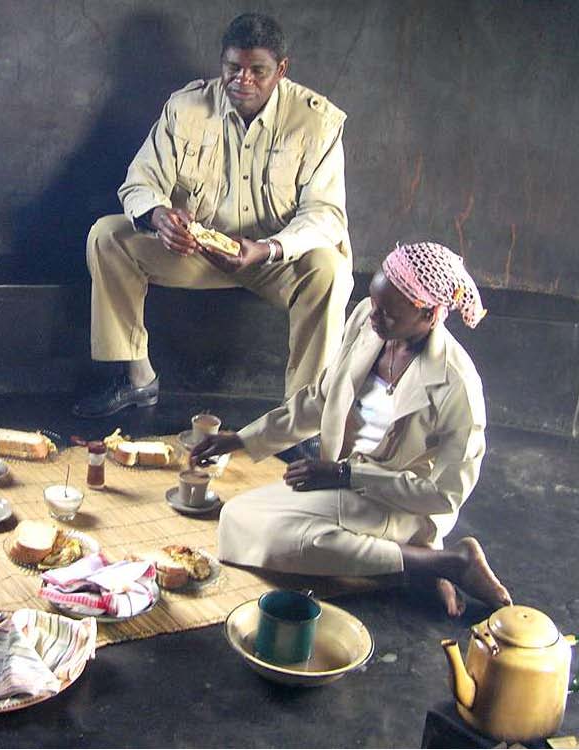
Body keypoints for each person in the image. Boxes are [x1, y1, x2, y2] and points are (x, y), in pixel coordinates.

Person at [191, 242, 513, 616]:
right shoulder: (366, 320)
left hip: (398, 501)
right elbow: (322, 399)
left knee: (290, 541)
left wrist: (347, 474)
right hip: (343, 483)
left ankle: (444, 561)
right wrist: (242, 438)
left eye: (389, 315)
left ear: (430, 316)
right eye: (374, 303)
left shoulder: (457, 385)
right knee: (236, 519)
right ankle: (428, 563)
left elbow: (445, 496)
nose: (376, 318)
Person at [74, 12, 353, 418]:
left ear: (281, 70)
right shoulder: (186, 107)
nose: (243, 80)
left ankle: (301, 416)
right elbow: (139, 181)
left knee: (329, 267)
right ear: (222, 63)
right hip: (197, 252)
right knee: (107, 235)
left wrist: (267, 249)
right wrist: (159, 217)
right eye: (233, 68)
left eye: (258, 71)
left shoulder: (317, 121)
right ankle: (138, 380)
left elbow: (325, 215)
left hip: (274, 261)